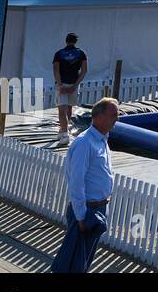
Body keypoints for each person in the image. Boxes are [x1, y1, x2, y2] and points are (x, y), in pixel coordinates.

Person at [51, 97, 119, 273]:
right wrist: (81, 216)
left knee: (83, 260)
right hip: (86, 210)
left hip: (97, 208)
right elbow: (76, 181)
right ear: (98, 117)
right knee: (71, 263)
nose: (116, 119)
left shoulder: (102, 139)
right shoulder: (84, 143)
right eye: (113, 115)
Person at [52, 33, 88, 146]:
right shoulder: (81, 53)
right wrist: (75, 85)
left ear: (66, 41)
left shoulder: (59, 53)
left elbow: (56, 70)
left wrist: (60, 84)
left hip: (61, 84)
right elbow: (84, 71)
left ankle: (64, 133)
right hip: (73, 84)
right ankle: (64, 129)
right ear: (76, 41)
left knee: (61, 110)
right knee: (68, 108)